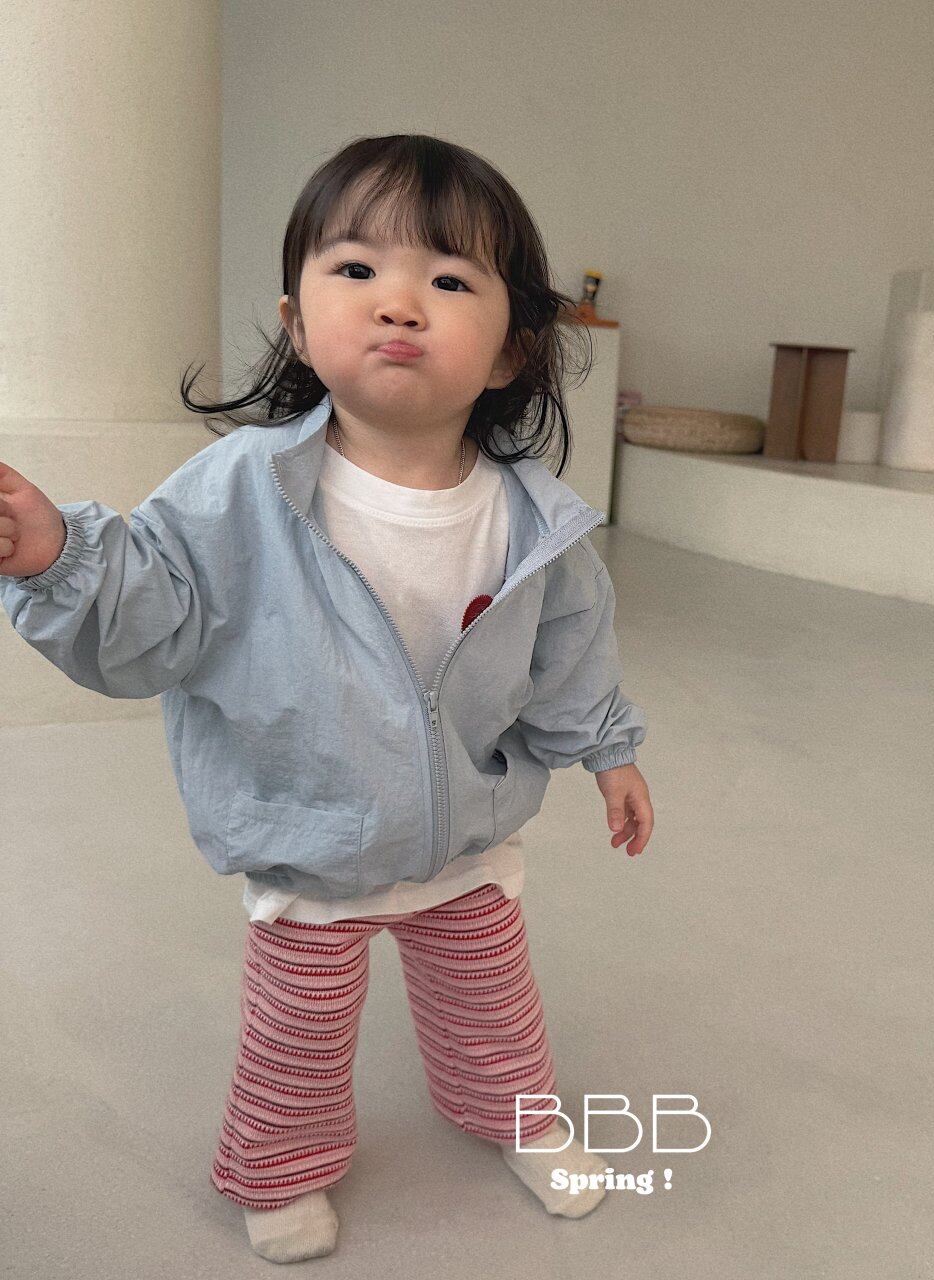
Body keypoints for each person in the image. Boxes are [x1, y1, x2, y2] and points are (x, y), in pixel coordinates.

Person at [0, 133, 654, 1262]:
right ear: (298, 325)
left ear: (511, 350)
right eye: (355, 269)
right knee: (295, 1041)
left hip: (465, 832)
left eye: (450, 281)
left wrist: (609, 750)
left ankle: (515, 1114)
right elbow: (151, 611)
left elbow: (570, 653)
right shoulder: (240, 487)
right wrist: (59, 556)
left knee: (494, 1006)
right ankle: (279, 1164)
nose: (399, 302)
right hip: (311, 833)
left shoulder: (535, 520)